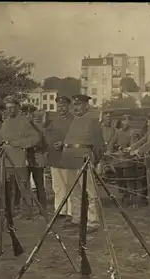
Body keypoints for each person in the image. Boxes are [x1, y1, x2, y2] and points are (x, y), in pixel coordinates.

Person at [59, 94, 104, 233]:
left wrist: (95, 160)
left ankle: (93, 221)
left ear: (86, 106)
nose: (76, 107)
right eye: (75, 105)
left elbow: (99, 144)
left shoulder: (92, 120)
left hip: (84, 159)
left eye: (79, 105)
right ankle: (77, 219)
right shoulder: (75, 120)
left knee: (90, 192)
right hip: (70, 159)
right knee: (74, 191)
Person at [0, 98, 42, 219]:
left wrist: (19, 143)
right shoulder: (5, 122)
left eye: (12, 107)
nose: (9, 110)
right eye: (7, 108)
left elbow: (36, 138)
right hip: (5, 161)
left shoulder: (24, 122)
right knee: (5, 187)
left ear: (17, 107)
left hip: (19, 161)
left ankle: (27, 212)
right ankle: (7, 211)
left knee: (24, 187)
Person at [43, 96, 75, 219]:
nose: (61, 108)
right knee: (57, 185)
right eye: (59, 106)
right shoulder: (54, 121)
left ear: (68, 106)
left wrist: (63, 143)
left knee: (69, 184)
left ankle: (71, 211)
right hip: (55, 157)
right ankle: (60, 209)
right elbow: (47, 135)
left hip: (68, 157)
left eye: (64, 106)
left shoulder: (73, 121)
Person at [129, 111, 150, 207]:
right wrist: (131, 148)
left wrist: (138, 151)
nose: (148, 124)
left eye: (149, 122)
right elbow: (143, 140)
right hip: (149, 160)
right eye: (148, 122)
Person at [106, 114, 139, 205]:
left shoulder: (133, 132)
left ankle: (130, 197)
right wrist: (109, 150)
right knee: (119, 178)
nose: (125, 123)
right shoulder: (118, 132)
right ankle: (123, 194)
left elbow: (134, 145)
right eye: (124, 121)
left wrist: (128, 150)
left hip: (129, 160)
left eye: (127, 121)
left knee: (130, 178)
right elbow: (111, 143)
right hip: (118, 160)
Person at [26, 106, 48, 212]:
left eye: (31, 114)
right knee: (26, 184)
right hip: (26, 157)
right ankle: (28, 208)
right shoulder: (25, 127)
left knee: (39, 184)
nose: (29, 116)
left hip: (38, 157)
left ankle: (42, 208)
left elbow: (43, 141)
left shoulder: (40, 127)